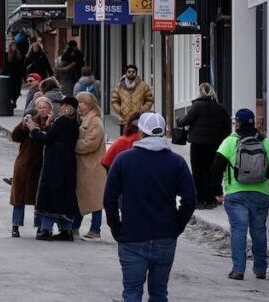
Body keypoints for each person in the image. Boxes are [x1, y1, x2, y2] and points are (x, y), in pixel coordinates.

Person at [104, 112, 197, 300]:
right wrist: (177, 226)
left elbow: (109, 199)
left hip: (132, 235)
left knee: (132, 292)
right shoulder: (176, 162)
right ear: (162, 132)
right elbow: (190, 199)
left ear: (140, 132)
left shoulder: (123, 160)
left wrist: (116, 227)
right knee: (159, 293)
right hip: (165, 235)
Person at [211, 108, 269, 281]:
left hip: (236, 194)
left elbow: (216, 167)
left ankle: (238, 270)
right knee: (259, 231)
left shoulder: (229, 142)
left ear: (237, 124)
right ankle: (260, 269)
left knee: (238, 230)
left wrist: (217, 191)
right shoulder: (266, 143)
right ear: (253, 122)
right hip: (260, 193)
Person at [26, 95, 79, 240]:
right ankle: (66, 231)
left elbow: (48, 139)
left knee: (48, 196)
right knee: (65, 196)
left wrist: (34, 130)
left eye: (62, 105)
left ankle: (46, 229)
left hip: (54, 164)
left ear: (68, 107)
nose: (59, 107)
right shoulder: (74, 123)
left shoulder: (61, 121)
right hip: (68, 164)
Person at [176, 83, 231, 209]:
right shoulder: (219, 108)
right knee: (210, 171)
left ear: (199, 93)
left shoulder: (197, 106)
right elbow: (227, 127)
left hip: (198, 144)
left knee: (198, 172)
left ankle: (200, 200)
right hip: (214, 145)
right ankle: (210, 199)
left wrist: (178, 120)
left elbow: (185, 121)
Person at [9, 96, 50, 237]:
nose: (42, 110)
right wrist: (23, 126)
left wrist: (44, 127)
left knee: (39, 199)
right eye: (40, 108)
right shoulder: (30, 121)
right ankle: (15, 225)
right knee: (18, 198)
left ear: (49, 109)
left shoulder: (52, 123)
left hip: (41, 166)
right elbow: (15, 137)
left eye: (45, 108)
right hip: (24, 164)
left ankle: (39, 227)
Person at [74, 92, 106, 240]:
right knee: (82, 199)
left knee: (95, 201)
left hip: (93, 167)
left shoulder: (95, 122)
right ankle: (75, 227)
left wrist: (74, 144)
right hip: (86, 166)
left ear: (88, 104)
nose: (78, 106)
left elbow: (91, 143)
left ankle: (94, 229)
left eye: (80, 103)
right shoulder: (86, 119)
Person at [110, 65, 154, 134]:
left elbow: (149, 99)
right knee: (124, 140)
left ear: (136, 73)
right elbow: (114, 101)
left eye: (133, 72)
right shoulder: (120, 86)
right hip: (124, 120)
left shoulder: (143, 86)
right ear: (126, 73)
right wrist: (120, 109)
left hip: (138, 120)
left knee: (137, 140)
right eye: (129, 72)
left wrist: (143, 109)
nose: (131, 73)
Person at [2, 41, 24, 109]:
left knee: (17, 89)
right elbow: (5, 66)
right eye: (13, 46)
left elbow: (21, 65)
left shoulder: (18, 54)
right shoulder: (6, 54)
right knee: (10, 89)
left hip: (17, 75)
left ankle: (14, 101)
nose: (14, 47)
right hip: (10, 75)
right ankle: (11, 101)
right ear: (10, 47)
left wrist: (22, 74)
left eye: (15, 46)